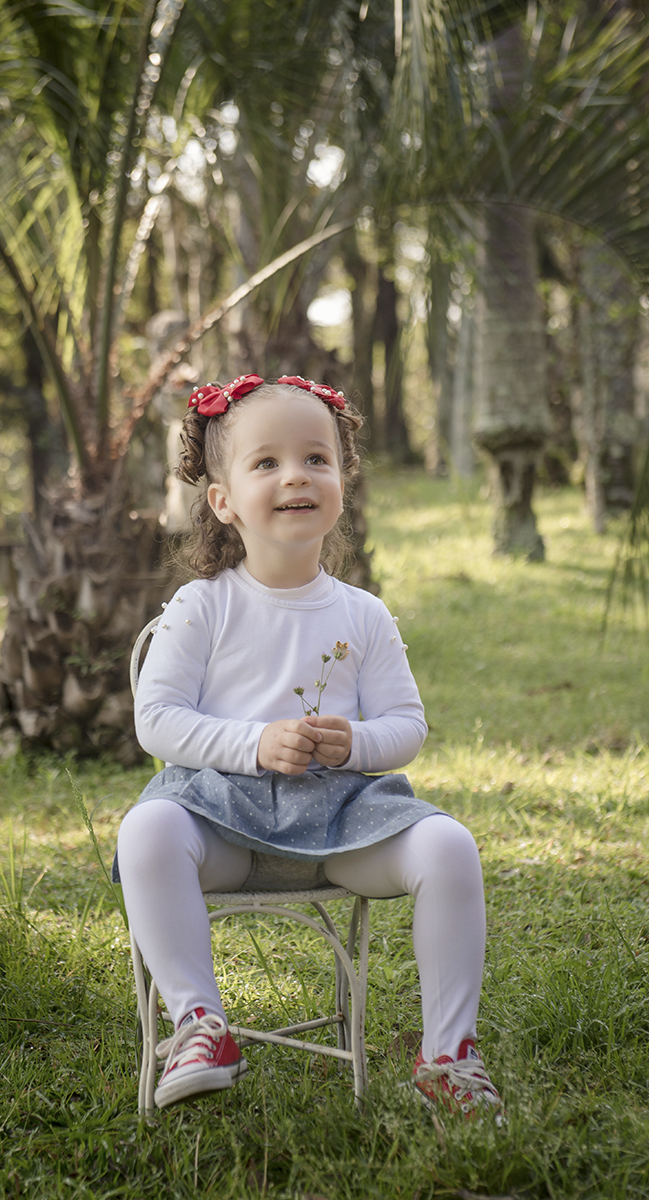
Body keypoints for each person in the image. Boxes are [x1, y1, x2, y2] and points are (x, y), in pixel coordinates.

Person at [115, 373, 502, 1119]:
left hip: (340, 827)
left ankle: (450, 1054)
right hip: (220, 820)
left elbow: (407, 728)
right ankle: (200, 1024)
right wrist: (255, 742)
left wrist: (352, 741)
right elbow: (156, 720)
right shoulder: (205, 605)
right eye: (266, 463)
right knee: (148, 828)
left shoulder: (362, 614)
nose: (296, 475)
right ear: (223, 501)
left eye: (316, 459)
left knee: (449, 844)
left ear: (342, 480)